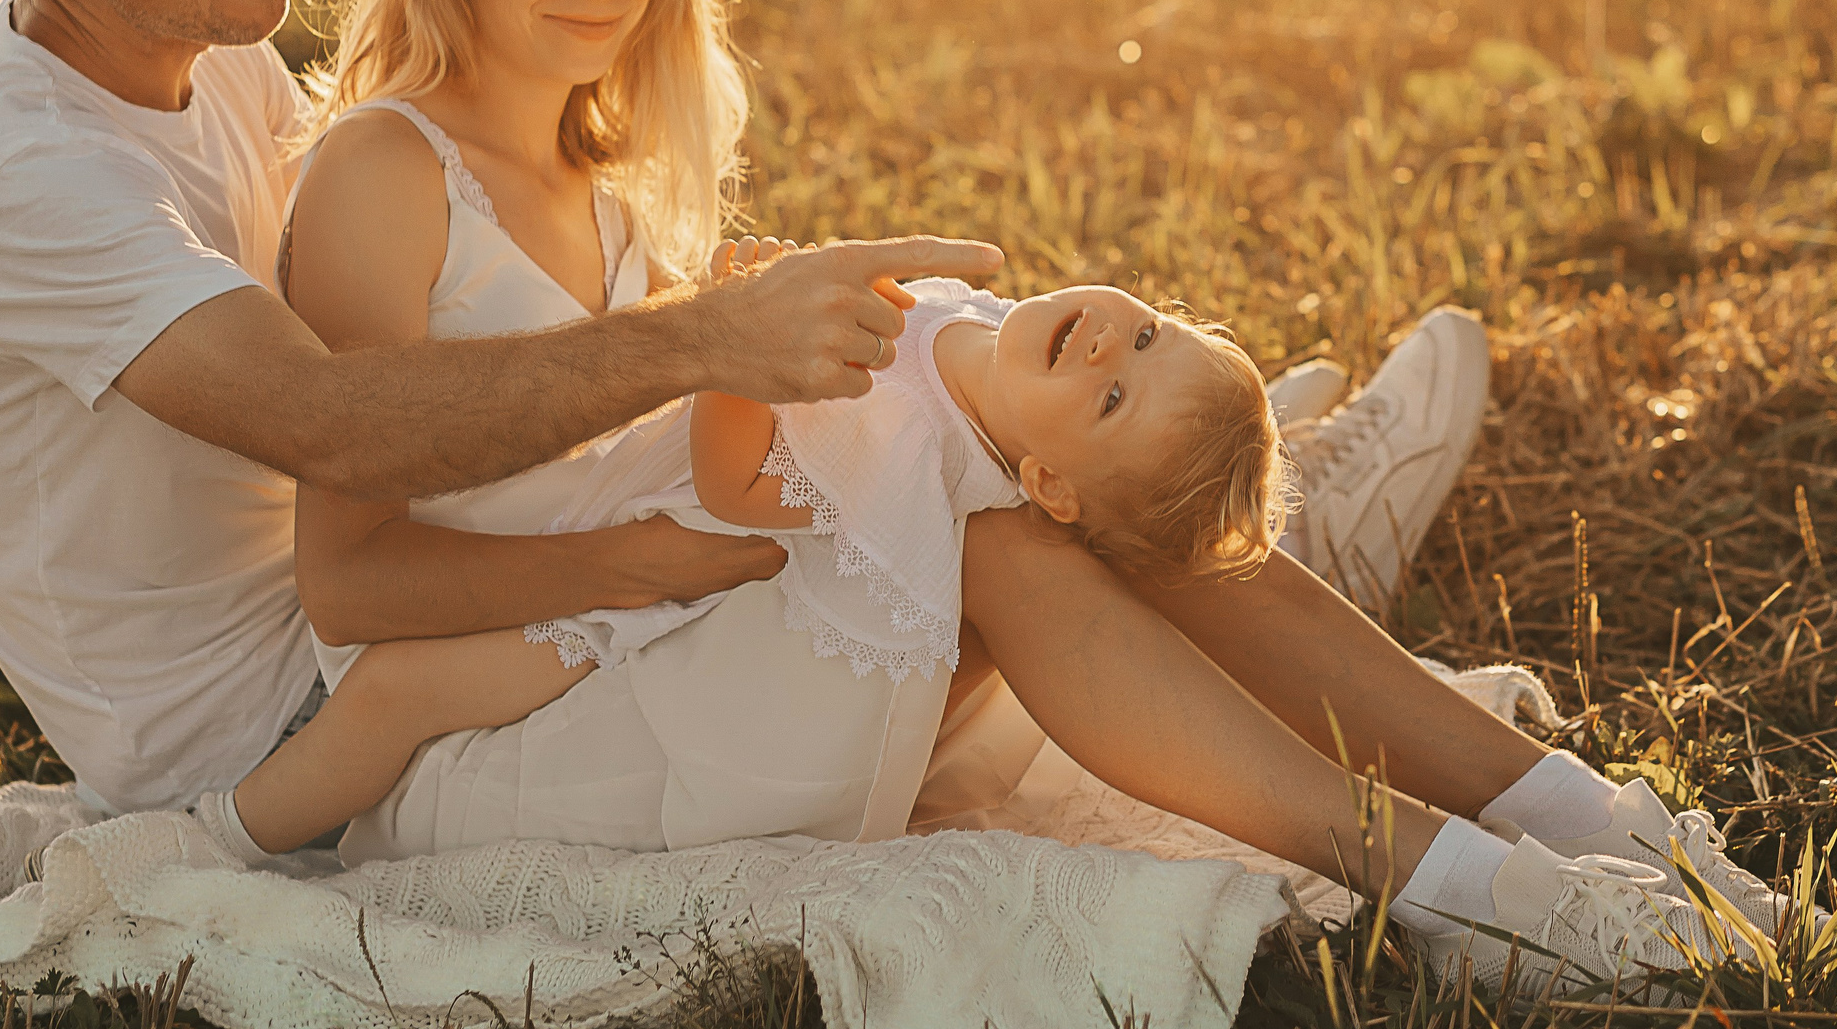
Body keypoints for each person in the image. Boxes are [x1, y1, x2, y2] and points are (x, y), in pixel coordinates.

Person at [0, 0, 1792, 1000]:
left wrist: (792, 394)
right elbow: (353, 477)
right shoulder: (32, 180)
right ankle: (1458, 888)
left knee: (979, 465)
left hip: (528, 612)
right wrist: (700, 433)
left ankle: (1569, 802)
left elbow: (502, 344)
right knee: (980, 533)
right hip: (313, 718)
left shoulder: (210, 44)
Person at [218, 260, 1287, 857]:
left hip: (664, 605)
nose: (1109, 346)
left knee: (400, 692)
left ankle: (234, 847)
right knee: (412, 666)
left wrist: (732, 352)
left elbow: (738, 488)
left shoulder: (917, 460)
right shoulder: (974, 329)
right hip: (621, 521)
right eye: (1147, 339)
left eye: (1109, 401)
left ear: (1049, 487)